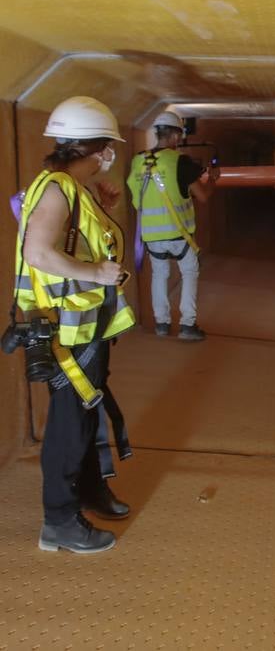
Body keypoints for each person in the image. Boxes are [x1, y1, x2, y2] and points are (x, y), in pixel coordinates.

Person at [12, 96, 136, 553]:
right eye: (109, 148)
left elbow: (82, 242)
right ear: (100, 149)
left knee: (84, 417)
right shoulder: (56, 189)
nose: (110, 156)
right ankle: (59, 521)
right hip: (67, 331)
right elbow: (38, 253)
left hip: (83, 327)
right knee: (69, 424)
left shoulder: (71, 187)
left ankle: (87, 491)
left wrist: (104, 208)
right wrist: (97, 274)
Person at [126, 111, 216, 340]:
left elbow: (136, 199)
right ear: (176, 135)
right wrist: (213, 179)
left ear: (157, 133)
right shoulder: (180, 162)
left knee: (159, 274)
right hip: (179, 234)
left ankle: (162, 324)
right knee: (189, 273)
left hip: (151, 235)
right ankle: (187, 325)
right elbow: (202, 196)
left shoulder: (138, 160)